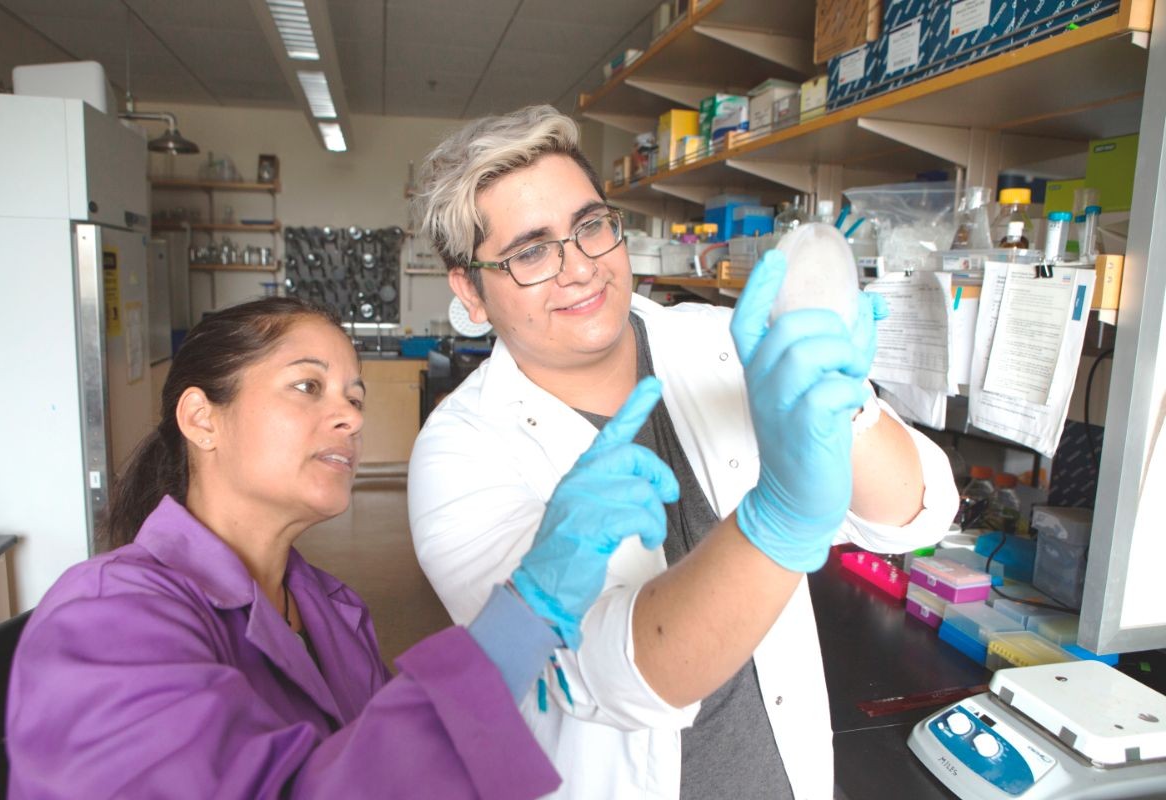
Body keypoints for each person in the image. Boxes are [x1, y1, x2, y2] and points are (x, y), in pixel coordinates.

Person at [407, 106, 959, 799]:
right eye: (531, 252)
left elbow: (916, 516)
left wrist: (848, 403)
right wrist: (779, 521)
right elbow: (605, 675)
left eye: (590, 226)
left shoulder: (719, 341)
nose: (579, 267)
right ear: (470, 290)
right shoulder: (458, 454)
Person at [5, 297, 683, 799]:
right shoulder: (104, 619)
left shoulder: (331, 610)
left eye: (354, 396)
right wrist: (526, 614)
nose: (350, 416)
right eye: (308, 387)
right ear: (201, 418)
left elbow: (396, 770)